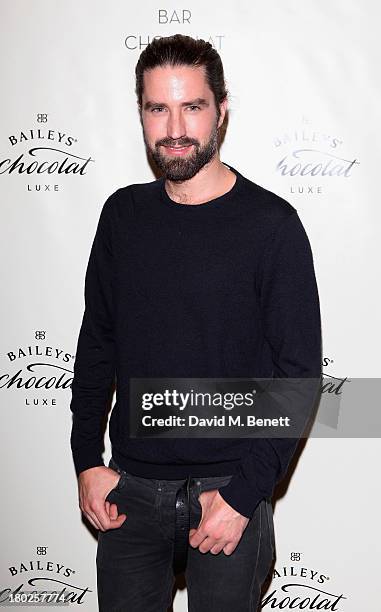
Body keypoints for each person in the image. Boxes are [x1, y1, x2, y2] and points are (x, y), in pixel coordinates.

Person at [70, 34, 322, 611]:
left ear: (221, 111)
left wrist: (242, 496)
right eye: (158, 108)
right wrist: (87, 460)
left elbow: (299, 375)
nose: (175, 127)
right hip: (128, 497)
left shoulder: (272, 226)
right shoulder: (121, 216)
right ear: (141, 114)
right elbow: (97, 344)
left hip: (230, 494)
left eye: (192, 106)